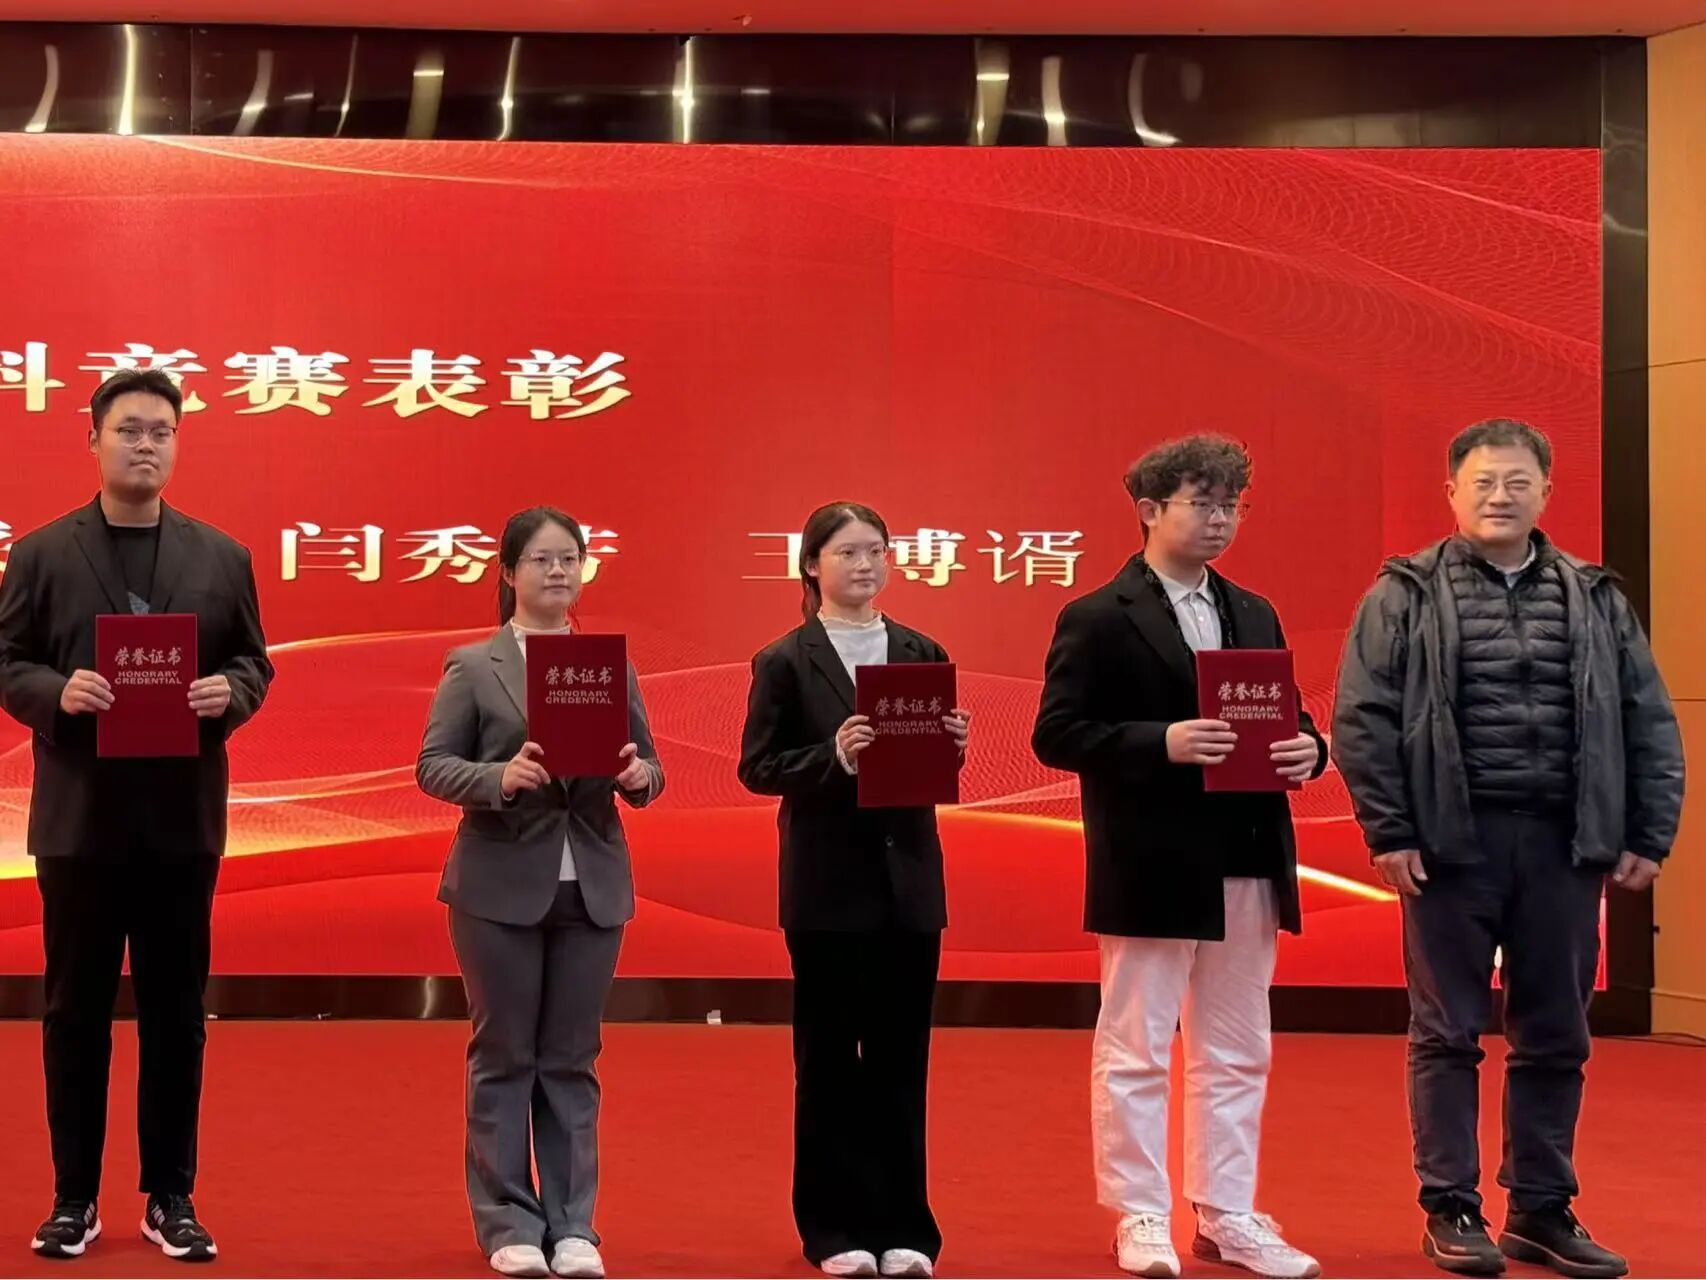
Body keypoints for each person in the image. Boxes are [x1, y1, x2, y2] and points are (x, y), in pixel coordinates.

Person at [1333, 419, 1683, 1280]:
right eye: (1483, 482)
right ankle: (1451, 1206)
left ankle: (1540, 1207)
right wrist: (1389, 829)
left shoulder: (1596, 596)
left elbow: (1646, 716)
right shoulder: (1405, 593)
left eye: (1518, 482)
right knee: (1447, 1031)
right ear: (1452, 492)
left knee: (1557, 1033)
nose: (1500, 496)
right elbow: (1363, 718)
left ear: (1546, 493)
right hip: (1450, 845)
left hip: (1566, 845)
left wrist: (1648, 831)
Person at [1033, 435, 1325, 1280]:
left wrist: (1312, 750)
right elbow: (1057, 733)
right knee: (1138, 1044)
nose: (1219, 519)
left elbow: (1287, 717)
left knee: (1238, 1045)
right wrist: (1159, 741)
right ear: (1150, 510)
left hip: (1248, 851)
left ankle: (1227, 1211)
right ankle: (1140, 1211)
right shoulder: (1097, 615)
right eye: (1202, 503)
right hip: (1151, 857)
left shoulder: (1255, 611)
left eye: (1231, 505)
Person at [0, 367, 273, 1262]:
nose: (145, 444)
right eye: (129, 429)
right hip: (79, 825)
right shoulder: (41, 554)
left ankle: (170, 1195)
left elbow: (253, 663)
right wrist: (56, 691)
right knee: (74, 1013)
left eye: (161, 430)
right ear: (94, 440)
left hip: (180, 822)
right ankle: (73, 1197)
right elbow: (8, 662)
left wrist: (227, 693)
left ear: (177, 444)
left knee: (175, 1014)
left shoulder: (221, 557)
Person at [416, 506, 664, 1280]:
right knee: (504, 1054)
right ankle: (508, 1221)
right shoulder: (474, 666)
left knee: (571, 1059)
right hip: (498, 885)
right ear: (509, 573)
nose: (558, 572)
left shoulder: (608, 667)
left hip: (592, 884)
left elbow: (652, 771)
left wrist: (636, 775)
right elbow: (432, 766)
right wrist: (501, 776)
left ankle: (573, 1224)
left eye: (569, 559)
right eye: (542, 560)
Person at [737, 502, 970, 1280]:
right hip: (827, 886)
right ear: (811, 565)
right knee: (831, 1062)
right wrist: (832, 756)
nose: (866, 565)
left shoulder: (921, 651)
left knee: (902, 1062)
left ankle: (905, 1228)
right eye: (847, 552)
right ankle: (833, 1227)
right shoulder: (785, 659)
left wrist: (951, 746)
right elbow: (758, 767)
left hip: (909, 884)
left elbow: (925, 768)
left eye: (876, 550)